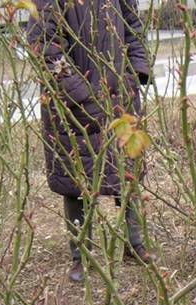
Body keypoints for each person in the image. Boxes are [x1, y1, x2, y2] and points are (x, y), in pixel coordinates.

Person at [26, 0, 152, 283]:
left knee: (126, 170)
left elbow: (133, 26)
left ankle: (134, 243)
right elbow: (44, 45)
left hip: (120, 92)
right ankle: (81, 255)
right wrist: (81, 93)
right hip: (72, 102)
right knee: (76, 178)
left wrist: (135, 72)